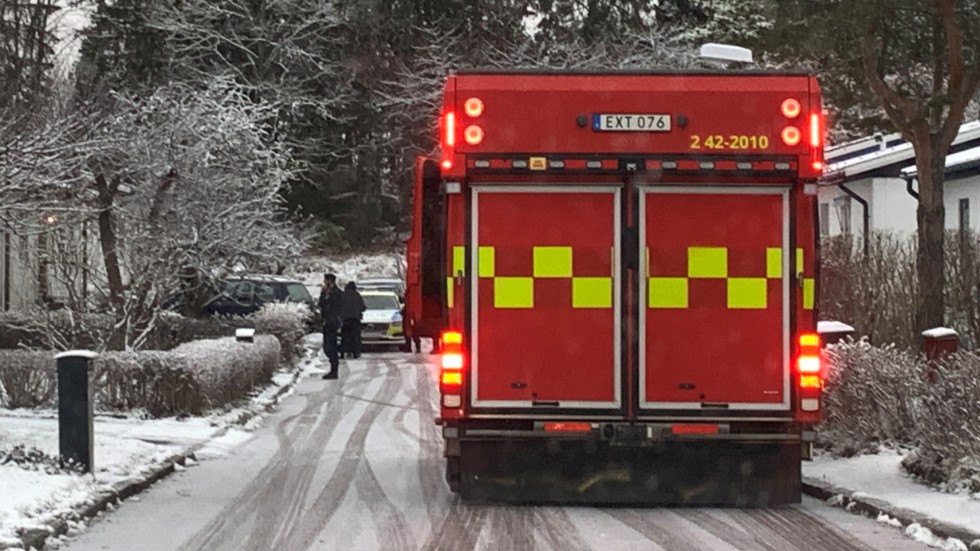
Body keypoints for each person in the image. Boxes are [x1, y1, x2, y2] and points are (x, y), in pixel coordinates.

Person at [318, 273, 343, 379]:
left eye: (326, 281)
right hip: (326, 322)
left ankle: (334, 371)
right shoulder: (324, 292)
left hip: (333, 323)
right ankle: (333, 368)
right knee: (327, 347)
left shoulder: (337, 293)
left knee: (331, 347)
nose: (325, 283)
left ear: (331, 281)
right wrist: (324, 295)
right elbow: (321, 304)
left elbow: (338, 307)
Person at [340, 281, 366, 359]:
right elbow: (363, 307)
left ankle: (343, 353)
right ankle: (355, 353)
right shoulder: (357, 296)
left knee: (345, 337)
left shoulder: (343, 295)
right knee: (355, 337)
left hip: (345, 320)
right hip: (355, 319)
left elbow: (338, 306)